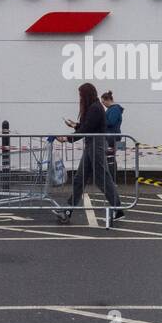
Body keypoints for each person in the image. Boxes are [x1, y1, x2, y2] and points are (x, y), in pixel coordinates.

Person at [57, 82, 123, 224]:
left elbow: (87, 129)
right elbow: (88, 126)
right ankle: (68, 210)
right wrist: (75, 126)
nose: (80, 98)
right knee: (79, 179)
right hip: (92, 144)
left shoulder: (94, 108)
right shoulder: (95, 107)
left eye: (81, 95)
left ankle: (118, 209)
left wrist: (68, 138)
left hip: (96, 145)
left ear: (86, 94)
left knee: (102, 178)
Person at [101, 90, 123, 174]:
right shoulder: (114, 109)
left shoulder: (114, 109)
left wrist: (100, 120)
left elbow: (110, 122)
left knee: (110, 159)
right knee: (110, 158)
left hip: (111, 138)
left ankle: (112, 179)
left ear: (108, 100)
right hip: (112, 137)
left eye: (103, 102)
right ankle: (111, 179)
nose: (103, 104)